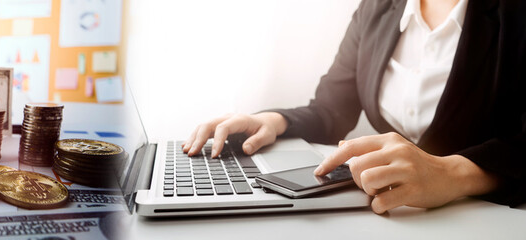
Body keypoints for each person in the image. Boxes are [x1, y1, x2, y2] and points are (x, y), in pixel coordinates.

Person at [183, 0, 526, 214]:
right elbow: (330, 109)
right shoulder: (376, 7)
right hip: (394, 216)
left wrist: (452, 173)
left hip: (486, 217)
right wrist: (272, 120)